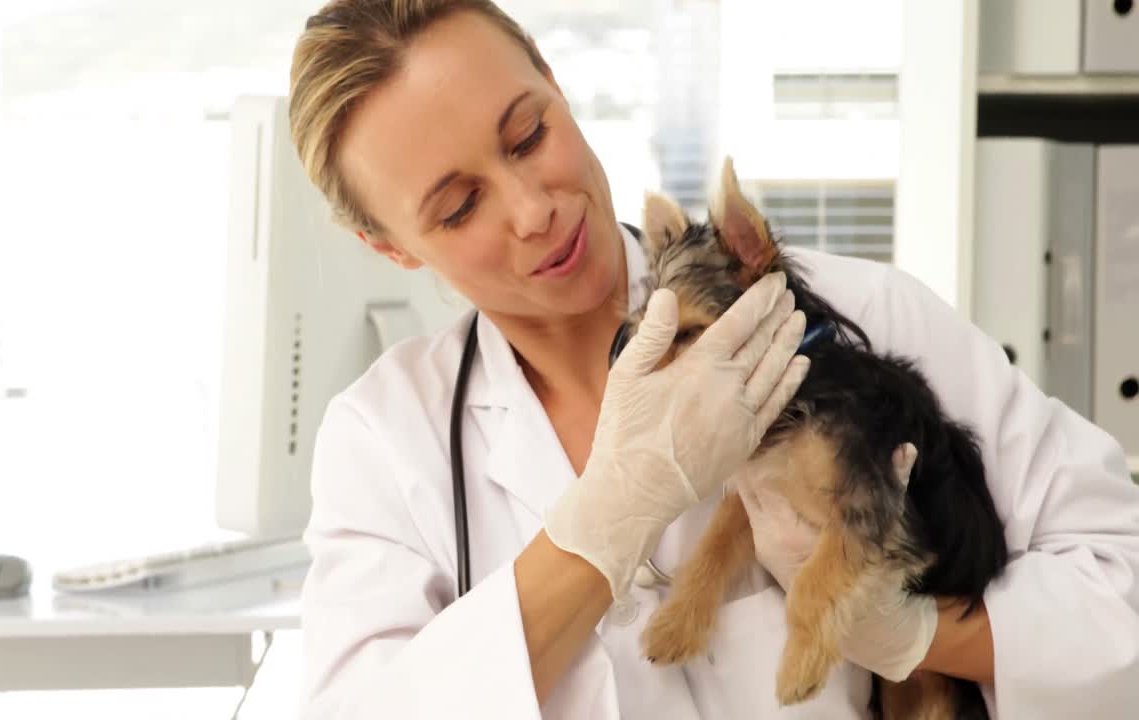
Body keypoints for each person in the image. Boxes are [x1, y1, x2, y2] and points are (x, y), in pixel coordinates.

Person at [287, 1, 1139, 718]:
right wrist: (609, 517)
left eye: (527, 134)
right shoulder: (388, 436)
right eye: (461, 204)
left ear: (554, 79)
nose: (532, 209)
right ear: (390, 247)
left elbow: (1120, 585)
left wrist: (916, 633)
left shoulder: (860, 319)